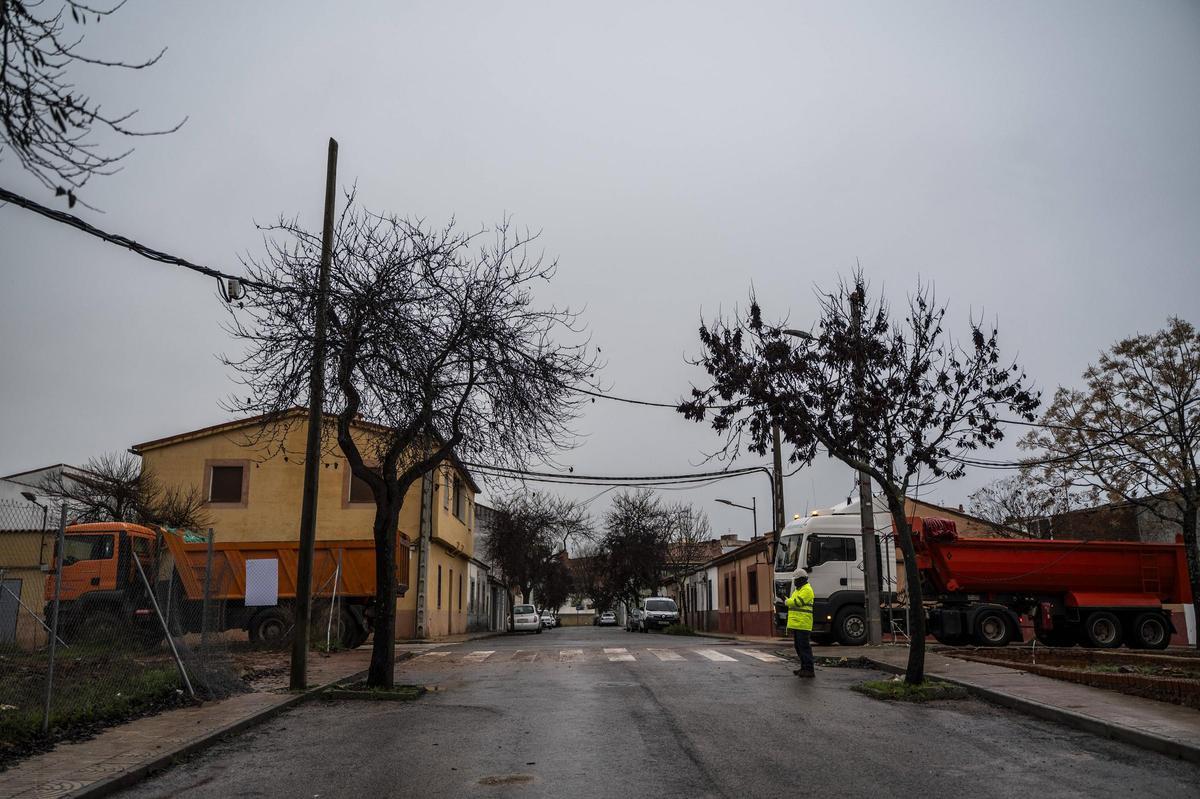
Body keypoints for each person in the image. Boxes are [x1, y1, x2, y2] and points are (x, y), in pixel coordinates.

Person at [784, 571, 815, 678]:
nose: (795, 582)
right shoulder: (798, 590)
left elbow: (797, 602)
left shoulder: (807, 590)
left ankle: (809, 669)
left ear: (801, 579)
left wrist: (788, 602)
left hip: (803, 623)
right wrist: (790, 601)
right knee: (798, 647)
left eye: (796, 580)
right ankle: (803, 668)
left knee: (804, 647)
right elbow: (793, 600)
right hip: (798, 624)